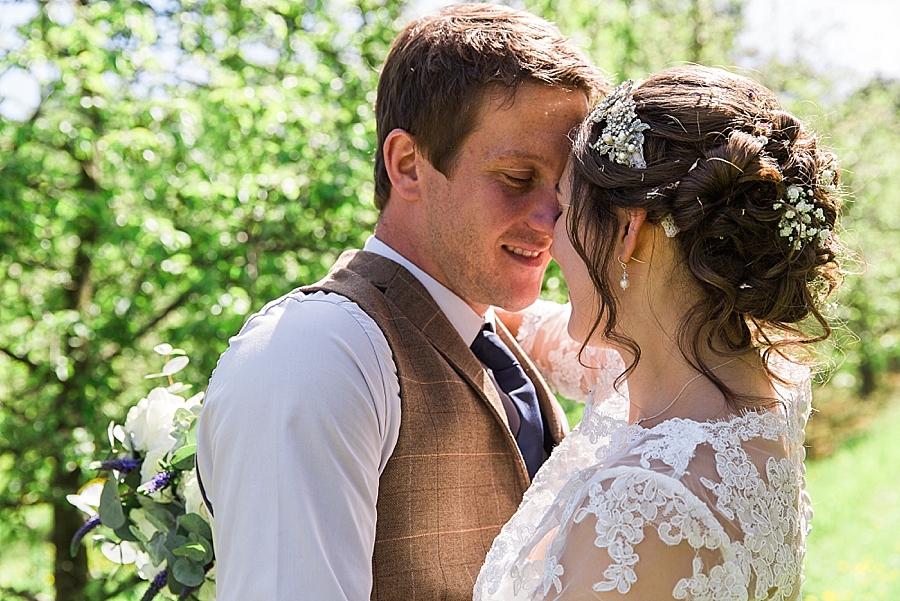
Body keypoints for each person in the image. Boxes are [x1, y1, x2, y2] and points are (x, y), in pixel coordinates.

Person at [196, 4, 609, 600]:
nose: (554, 221)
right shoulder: (315, 354)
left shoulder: (486, 330)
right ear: (408, 165)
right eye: (517, 178)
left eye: (568, 187)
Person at [474, 65, 846, 600]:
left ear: (627, 229)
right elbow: (535, 330)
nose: (551, 241)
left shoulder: (639, 507)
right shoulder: (763, 378)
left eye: (564, 210)